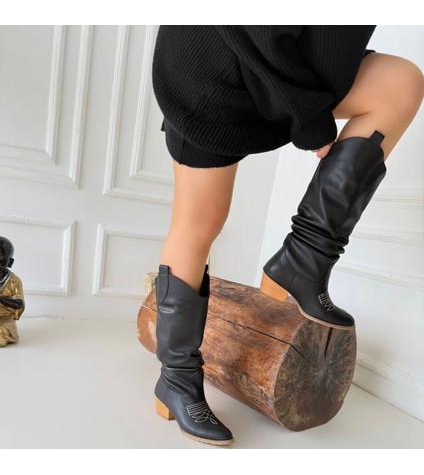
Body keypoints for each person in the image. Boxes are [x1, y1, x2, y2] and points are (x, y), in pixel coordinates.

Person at [150, 26, 424, 446]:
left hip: (282, 70)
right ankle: (177, 380)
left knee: (399, 84)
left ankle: (305, 260)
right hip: (213, 71)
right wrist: (313, 123)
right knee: (199, 222)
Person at [0, 236, 25, 346]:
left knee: (2, 331)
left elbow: (19, 303)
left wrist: (1, 299)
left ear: (10, 262)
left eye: (1, 260)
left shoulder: (14, 281)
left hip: (4, 317)